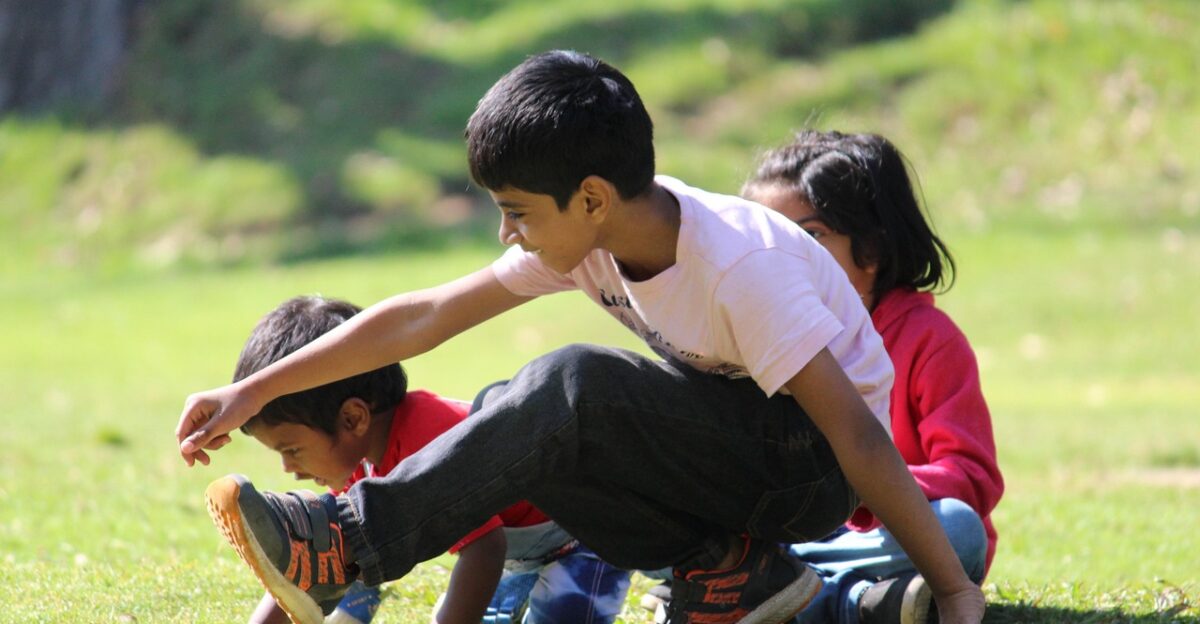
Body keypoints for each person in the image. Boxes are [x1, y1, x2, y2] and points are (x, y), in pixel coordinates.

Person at [176, 50, 986, 624]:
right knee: (509, 412)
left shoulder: (741, 265)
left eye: (518, 211)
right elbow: (422, 317)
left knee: (573, 385)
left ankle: (345, 543)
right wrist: (257, 389)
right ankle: (730, 572)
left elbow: (855, 435)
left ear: (592, 199)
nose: (506, 234)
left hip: (814, 467)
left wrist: (954, 589)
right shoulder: (593, 241)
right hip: (738, 456)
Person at [232, 296, 631, 624]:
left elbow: (484, 547)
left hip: (585, 536)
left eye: (292, 450)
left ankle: (679, 578)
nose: (288, 468)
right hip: (523, 554)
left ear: (353, 417)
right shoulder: (357, 458)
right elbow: (332, 559)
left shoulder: (428, 438)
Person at [740, 130, 1004, 624]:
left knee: (959, 529)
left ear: (871, 249)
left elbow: (973, 477)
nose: (779, 259)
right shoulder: (754, 334)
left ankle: (773, 590)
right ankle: (854, 603)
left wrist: (869, 487)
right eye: (763, 239)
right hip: (795, 531)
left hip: (892, 535)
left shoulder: (930, 339)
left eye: (808, 236)